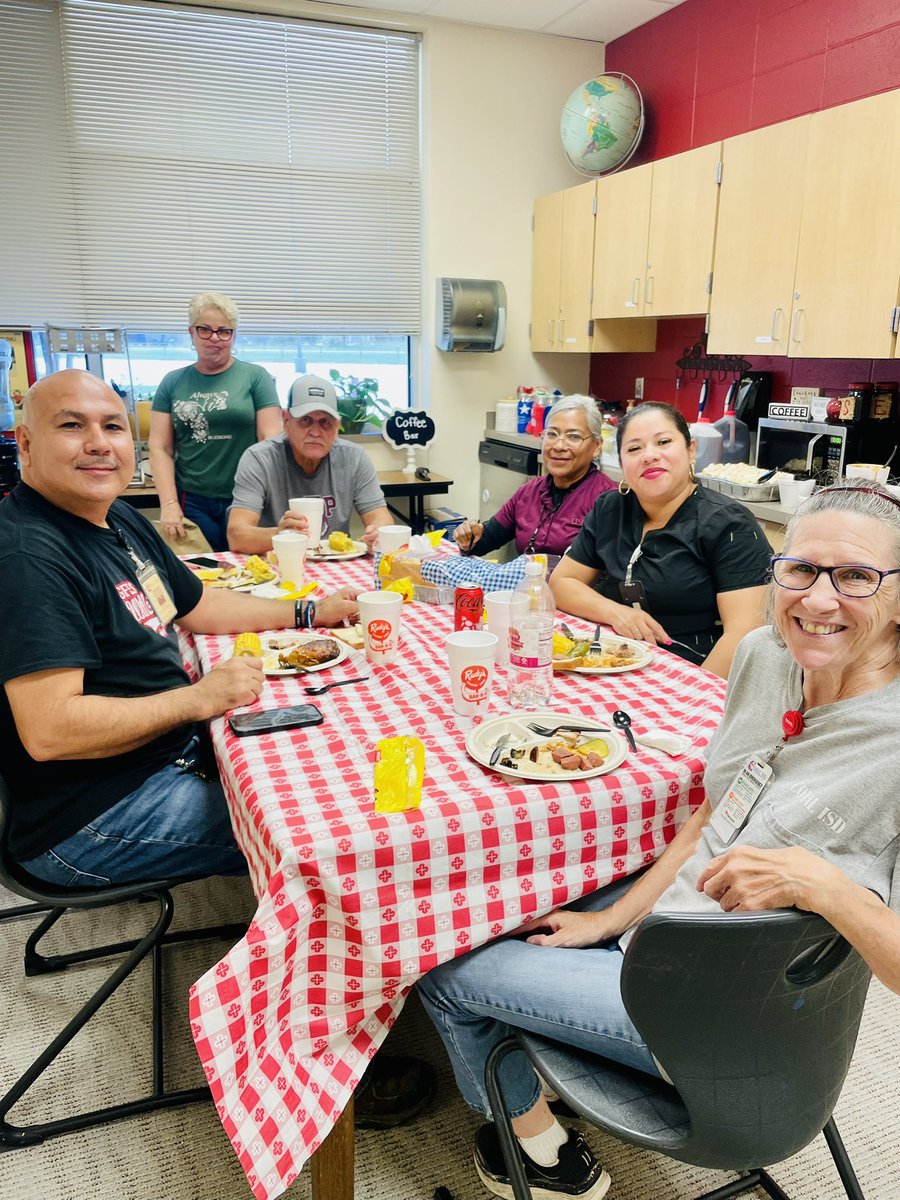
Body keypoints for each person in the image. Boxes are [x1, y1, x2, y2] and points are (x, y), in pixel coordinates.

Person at [418, 479, 900, 1200]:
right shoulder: (769, 655)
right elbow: (715, 813)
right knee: (488, 901)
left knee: (435, 957)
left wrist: (818, 883)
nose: (819, 599)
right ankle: (541, 1096)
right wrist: (610, 919)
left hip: (718, 1020)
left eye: (857, 576)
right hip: (662, 939)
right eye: (799, 569)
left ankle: (543, 1155)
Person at [0, 369, 359, 885]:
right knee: (326, 828)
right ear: (28, 443)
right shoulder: (29, 557)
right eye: (73, 426)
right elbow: (51, 731)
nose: (99, 444)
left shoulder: (116, 518)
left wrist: (309, 613)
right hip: (91, 817)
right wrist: (198, 699)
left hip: (163, 753)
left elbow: (197, 606)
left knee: (330, 749)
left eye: (114, 427)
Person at [550, 402, 771, 678]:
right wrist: (617, 613)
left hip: (695, 672)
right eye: (634, 448)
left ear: (691, 451)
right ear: (620, 463)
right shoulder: (610, 509)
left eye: (663, 442)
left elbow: (744, 634)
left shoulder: (729, 524)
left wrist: (692, 697)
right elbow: (561, 583)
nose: (649, 456)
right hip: (614, 662)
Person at [149, 291, 282, 551]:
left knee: (253, 572)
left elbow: (271, 441)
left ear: (233, 335)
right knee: (204, 575)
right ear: (191, 333)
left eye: (224, 331)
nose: (214, 338)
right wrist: (169, 504)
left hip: (248, 500)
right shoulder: (172, 382)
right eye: (205, 330)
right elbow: (160, 448)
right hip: (193, 500)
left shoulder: (256, 377)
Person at [228, 373, 392, 555]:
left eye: (325, 422)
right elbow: (237, 535)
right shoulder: (259, 459)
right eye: (305, 420)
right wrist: (280, 534)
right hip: (279, 564)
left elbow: (380, 517)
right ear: (286, 420)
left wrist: (377, 533)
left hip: (336, 567)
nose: (315, 432)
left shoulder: (354, 458)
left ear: (337, 426)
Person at [455, 395, 615, 568]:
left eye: (573, 437)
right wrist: (469, 537)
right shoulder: (530, 491)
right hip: (528, 590)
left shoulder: (608, 501)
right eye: (552, 434)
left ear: (596, 446)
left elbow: (610, 575)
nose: (559, 446)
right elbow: (488, 538)